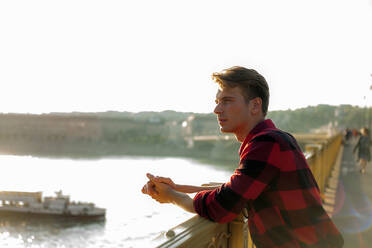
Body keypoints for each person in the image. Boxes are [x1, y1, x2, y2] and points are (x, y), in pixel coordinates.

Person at [142, 66, 344, 248]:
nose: (217, 109)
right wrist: (175, 187)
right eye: (217, 102)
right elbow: (242, 188)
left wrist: (173, 197)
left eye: (227, 101)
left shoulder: (267, 144)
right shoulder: (275, 139)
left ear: (255, 105)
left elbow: (224, 205)